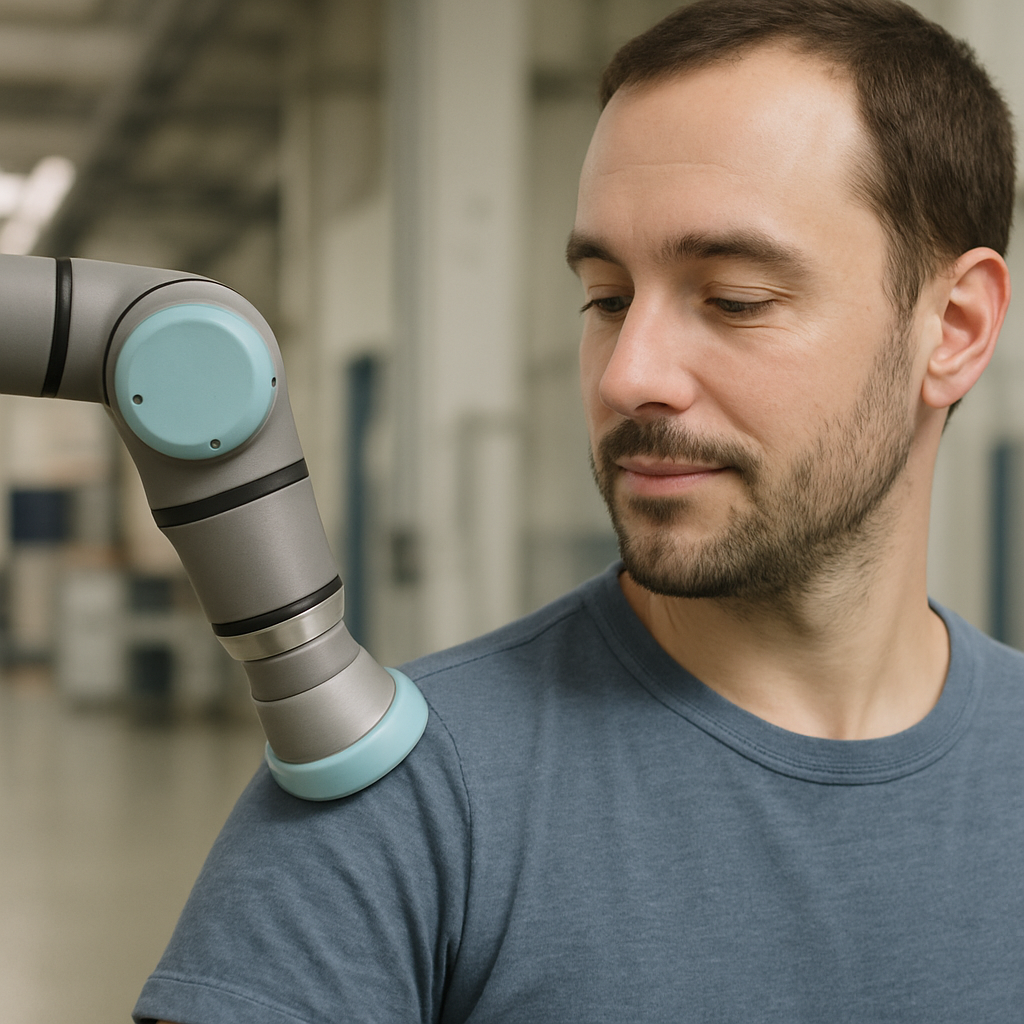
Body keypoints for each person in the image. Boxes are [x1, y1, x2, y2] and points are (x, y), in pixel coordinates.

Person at [135, 1, 1024, 1021]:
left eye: (732, 298)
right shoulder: (402, 802)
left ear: (952, 329)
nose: (629, 373)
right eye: (606, 297)